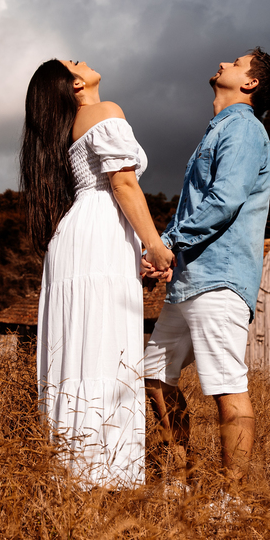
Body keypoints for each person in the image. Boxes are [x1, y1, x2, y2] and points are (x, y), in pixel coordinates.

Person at [21, 59, 174, 489]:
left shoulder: (70, 127)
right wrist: (155, 245)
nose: (82, 60)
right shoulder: (105, 111)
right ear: (73, 82)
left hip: (77, 234)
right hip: (101, 229)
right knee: (105, 344)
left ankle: (72, 468)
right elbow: (124, 184)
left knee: (78, 347)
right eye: (74, 62)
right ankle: (106, 474)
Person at [141, 47, 270, 488]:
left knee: (227, 386)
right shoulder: (221, 129)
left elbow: (223, 202)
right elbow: (197, 205)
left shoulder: (244, 128)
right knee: (152, 375)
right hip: (190, 281)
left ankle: (232, 502)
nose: (223, 63)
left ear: (250, 82)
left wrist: (167, 243)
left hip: (219, 281)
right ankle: (180, 481)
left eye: (236, 63)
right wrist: (168, 258)